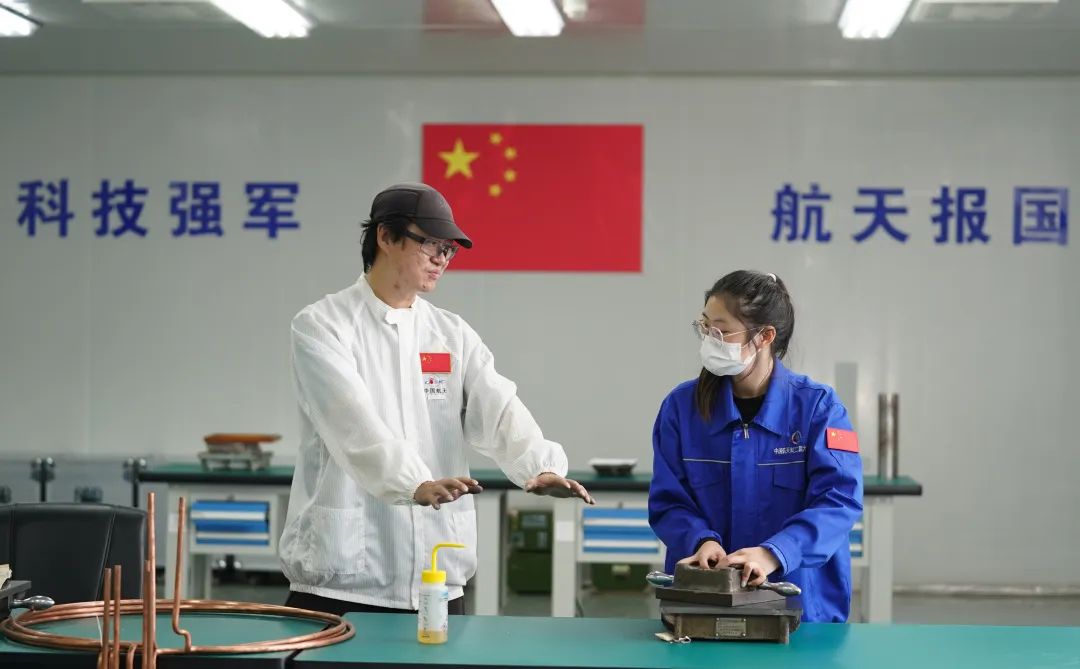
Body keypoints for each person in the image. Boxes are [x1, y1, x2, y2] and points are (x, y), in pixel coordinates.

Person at [279, 182, 593, 616]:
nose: (441, 258)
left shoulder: (450, 333)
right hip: (344, 580)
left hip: (437, 576)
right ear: (385, 237)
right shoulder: (323, 325)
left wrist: (538, 466)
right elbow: (351, 424)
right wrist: (413, 483)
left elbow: (498, 406)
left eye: (449, 249)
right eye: (430, 244)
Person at [648, 270, 863, 622]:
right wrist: (701, 541)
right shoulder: (681, 408)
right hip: (704, 601)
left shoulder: (818, 408)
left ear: (765, 336)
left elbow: (838, 501)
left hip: (800, 604)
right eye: (705, 327)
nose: (710, 339)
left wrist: (774, 553)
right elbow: (668, 500)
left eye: (721, 330)